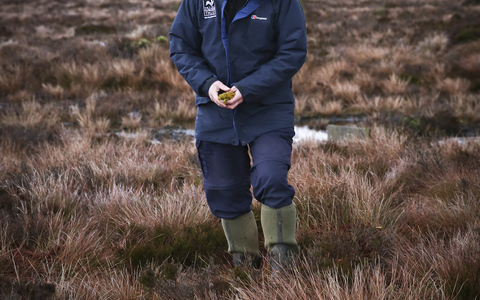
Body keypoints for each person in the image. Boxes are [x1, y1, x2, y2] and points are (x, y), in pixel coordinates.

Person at [169, 0, 307, 270]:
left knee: (271, 178)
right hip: (215, 110)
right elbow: (181, 45)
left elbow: (293, 51)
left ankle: (284, 271)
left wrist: (248, 88)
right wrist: (207, 85)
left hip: (268, 108)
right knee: (224, 191)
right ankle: (245, 270)